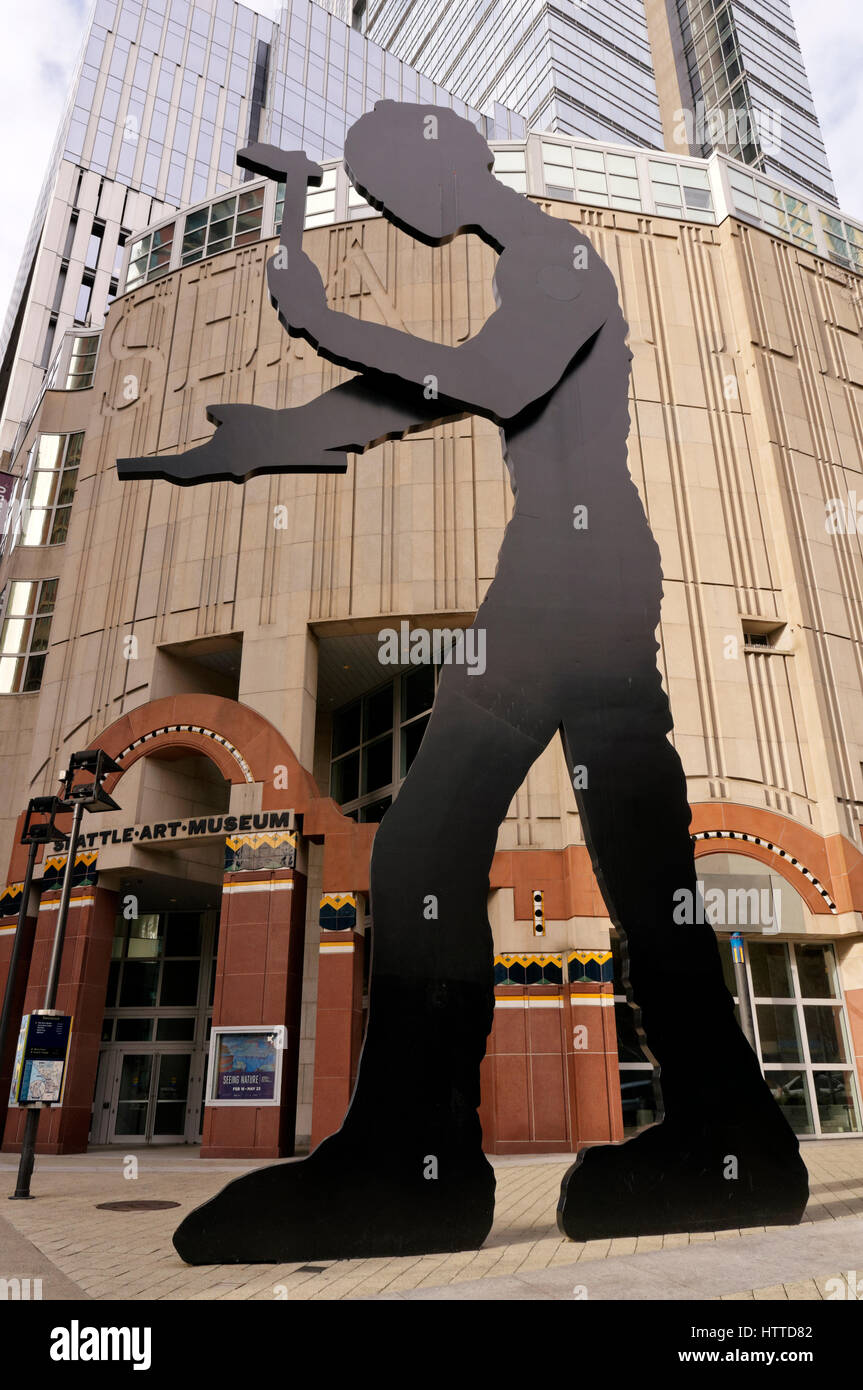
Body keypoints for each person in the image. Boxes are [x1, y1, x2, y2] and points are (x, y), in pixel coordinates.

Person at [119, 102, 808, 1263]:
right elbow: (412, 398)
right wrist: (262, 439)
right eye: (381, 192)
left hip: (574, 564)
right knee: (624, 845)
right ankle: (720, 1126)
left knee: (433, 840)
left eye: (400, 178)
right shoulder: (527, 270)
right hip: (570, 559)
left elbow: (491, 379)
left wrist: (333, 324)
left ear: (456, 159)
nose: (401, 206)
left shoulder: (560, 258)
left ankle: (417, 1154)